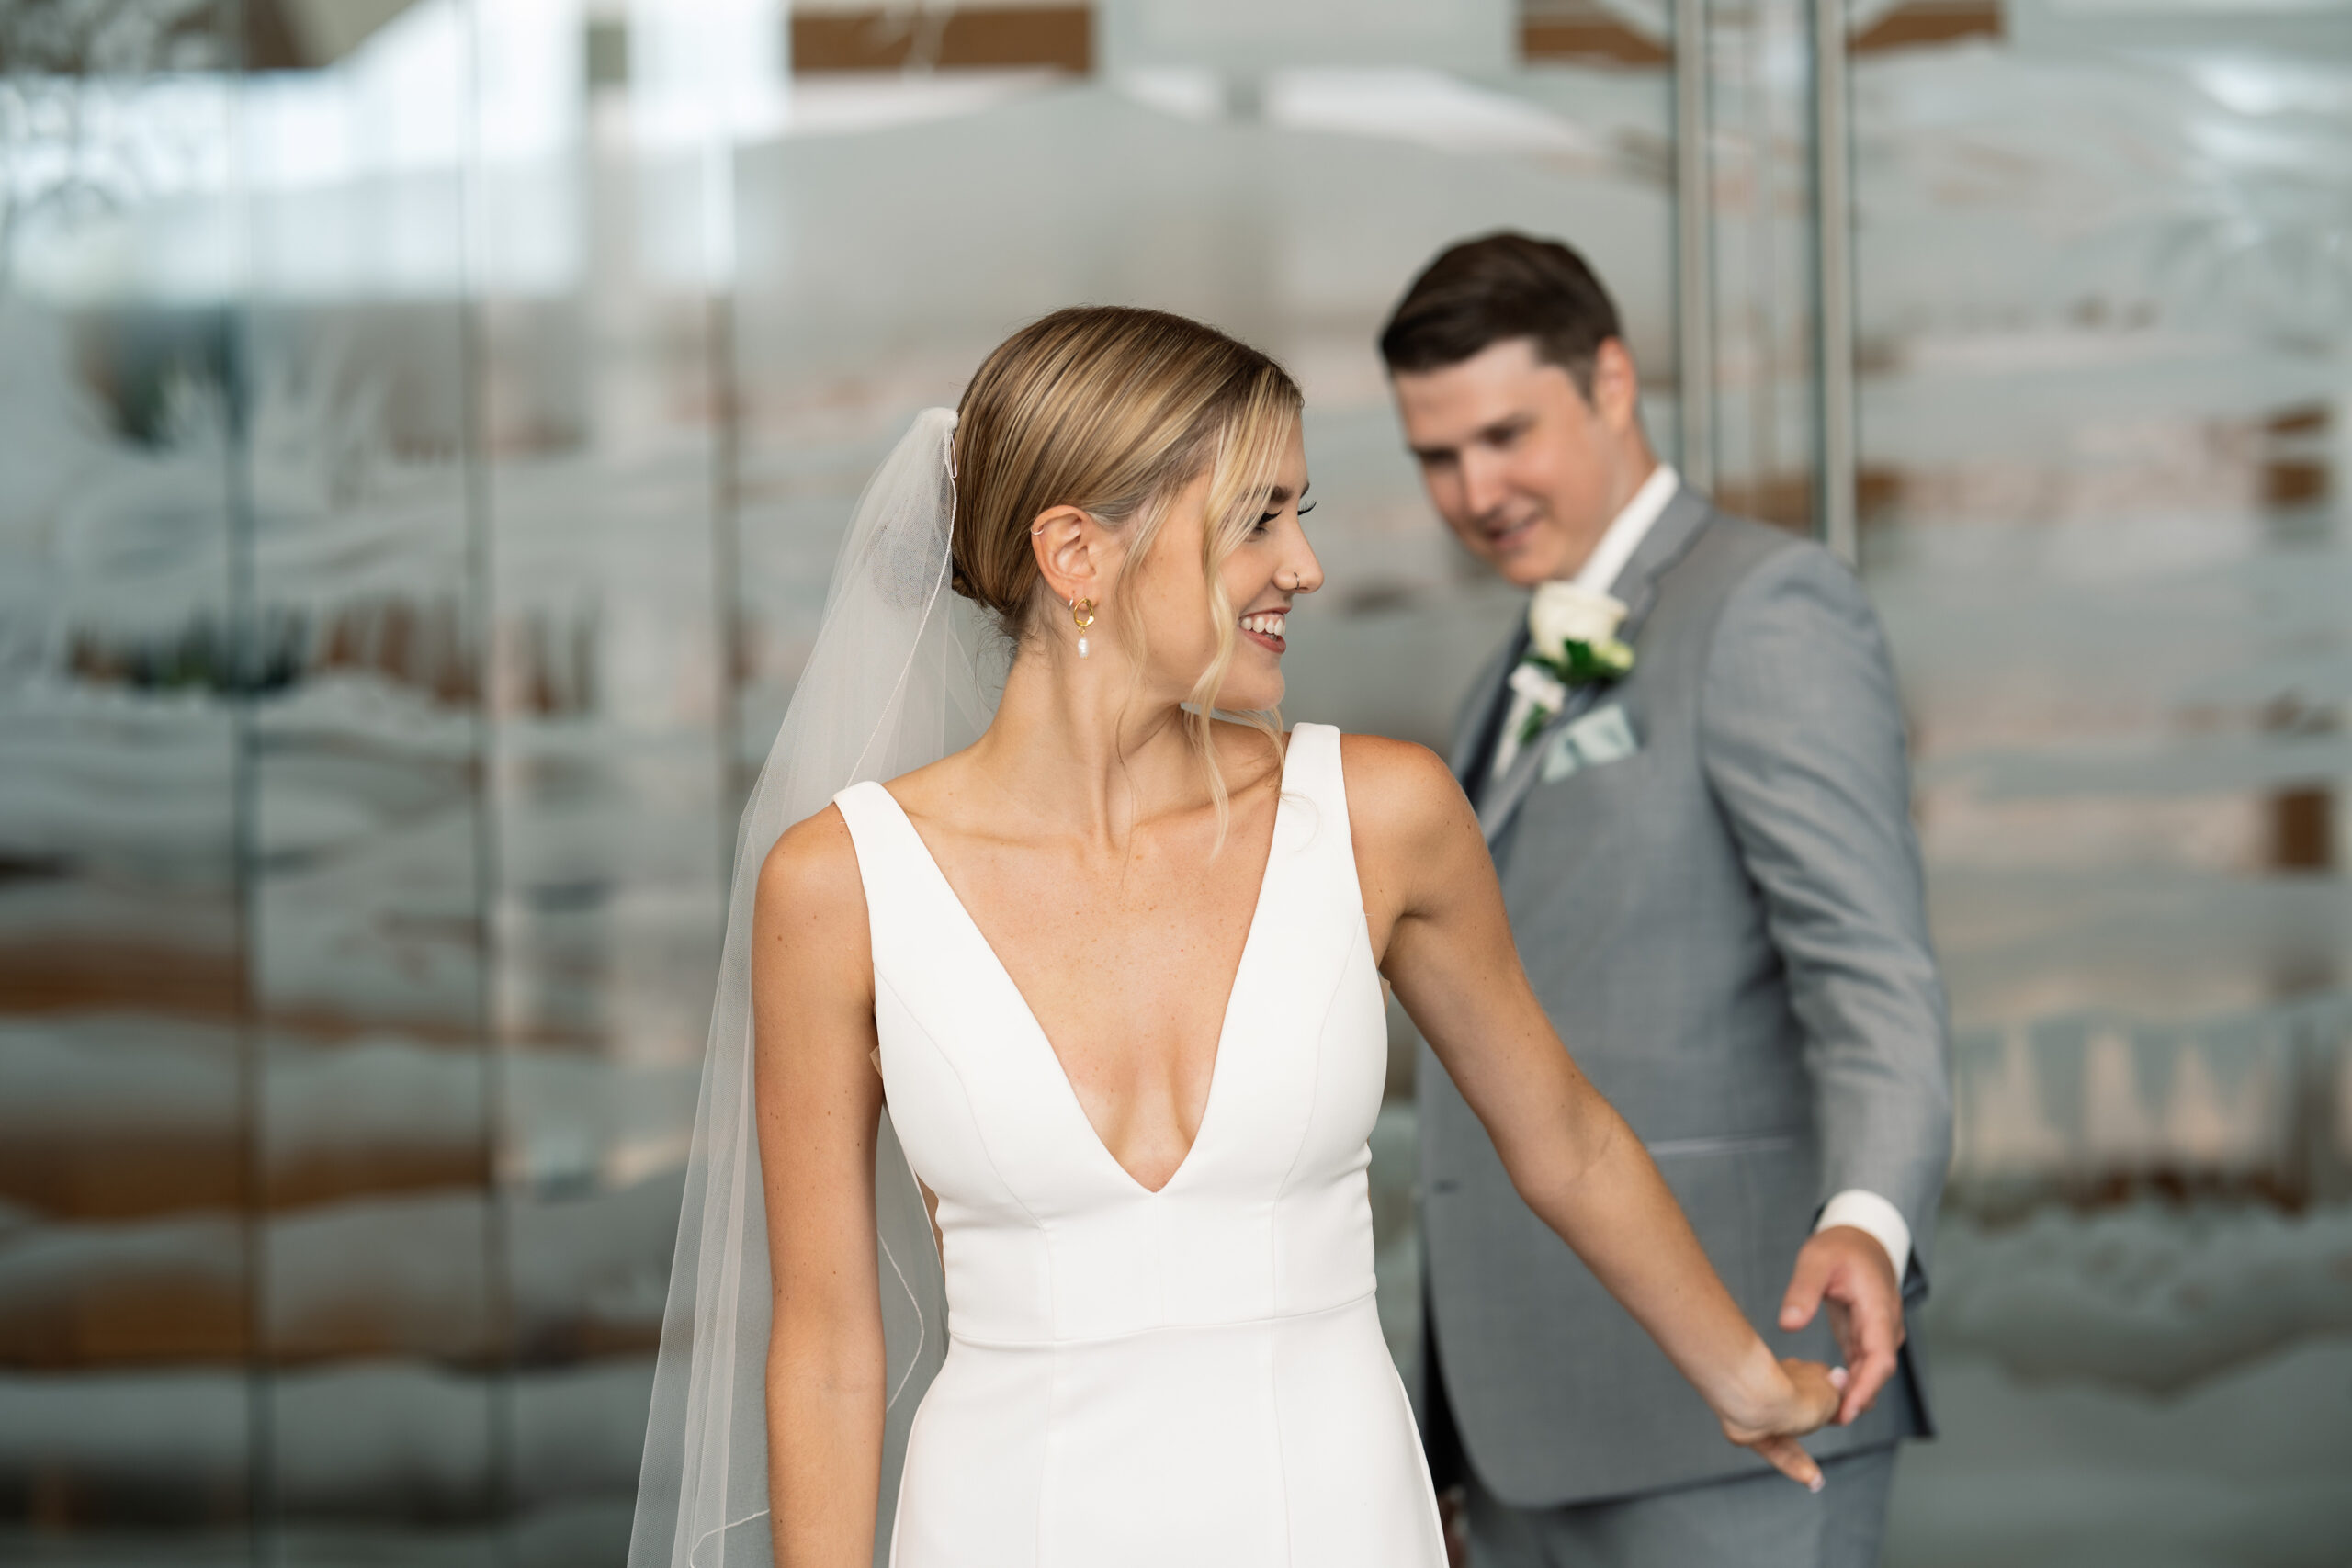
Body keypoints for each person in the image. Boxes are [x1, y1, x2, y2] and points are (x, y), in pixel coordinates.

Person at [629, 305, 1843, 1568]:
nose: (1304, 565)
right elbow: (825, 1346)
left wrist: (1747, 1377)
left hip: (1336, 1520)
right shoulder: (836, 886)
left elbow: (1567, 1141)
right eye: (1259, 517)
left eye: (1298, 513)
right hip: (1006, 1526)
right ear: (1075, 554)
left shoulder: (1381, 815)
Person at [1380, 232, 1953, 1567]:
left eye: (1506, 433)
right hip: (1519, 1422)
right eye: (1436, 457)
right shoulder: (1506, 671)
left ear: (1615, 380)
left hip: (1743, 1410)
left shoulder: (1766, 608)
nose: (1476, 490)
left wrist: (1868, 1219)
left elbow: (1870, 972)